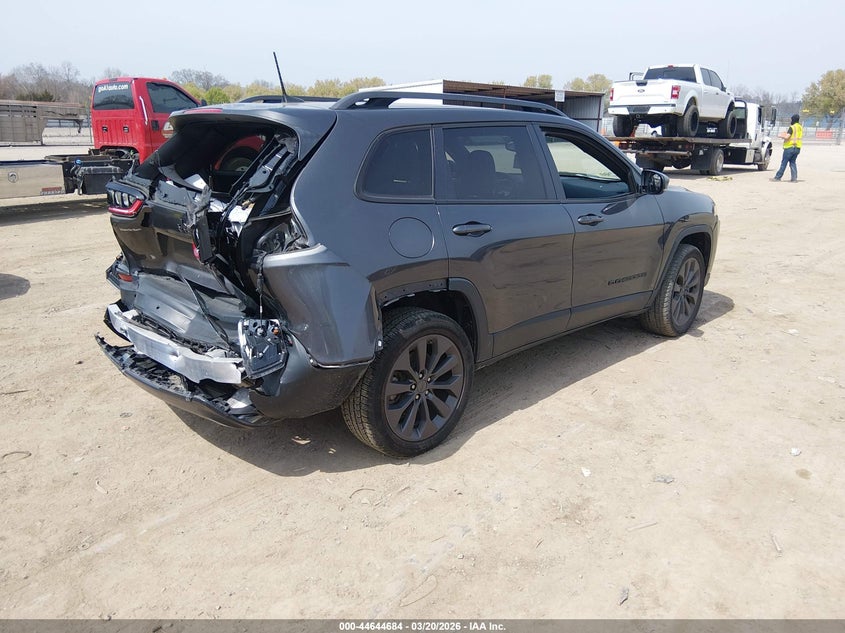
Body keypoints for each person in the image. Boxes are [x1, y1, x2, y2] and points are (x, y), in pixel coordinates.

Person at [772, 114, 803, 182]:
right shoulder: (800, 127)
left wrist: (780, 136)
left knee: (784, 163)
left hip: (789, 147)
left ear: (793, 119)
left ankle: (778, 177)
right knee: (792, 162)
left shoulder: (792, 127)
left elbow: (787, 137)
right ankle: (794, 178)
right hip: (797, 148)